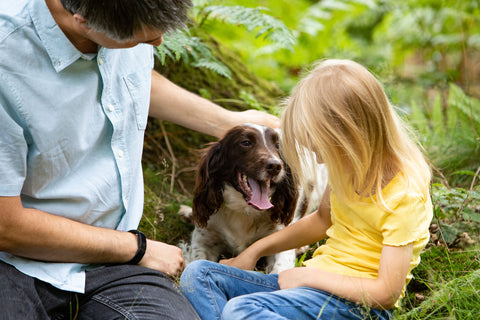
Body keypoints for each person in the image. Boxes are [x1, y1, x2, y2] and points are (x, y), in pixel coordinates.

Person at [0, 0, 279, 319]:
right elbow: (5, 226)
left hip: (114, 268)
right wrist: (137, 249)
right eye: (140, 39)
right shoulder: (7, 58)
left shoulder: (119, 19)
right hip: (14, 263)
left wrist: (224, 121)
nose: (158, 42)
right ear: (84, 22)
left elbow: (134, 77)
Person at [179, 59, 433, 320]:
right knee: (198, 275)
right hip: (311, 289)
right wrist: (253, 252)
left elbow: (386, 294)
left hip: (358, 307)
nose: (306, 148)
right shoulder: (347, 171)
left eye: (312, 137)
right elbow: (322, 220)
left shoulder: (404, 195)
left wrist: (309, 275)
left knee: (241, 309)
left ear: (345, 133)